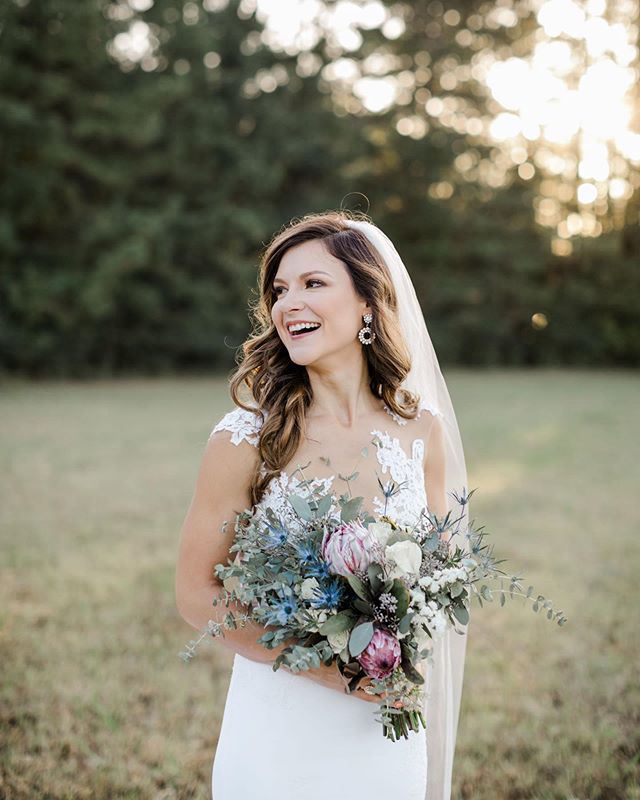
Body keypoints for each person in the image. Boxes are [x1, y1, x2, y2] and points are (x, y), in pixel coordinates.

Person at [175, 210, 470, 800]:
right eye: (280, 290)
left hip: (384, 725)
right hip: (280, 725)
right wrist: (331, 669)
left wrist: (396, 648)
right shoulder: (245, 438)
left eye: (313, 284)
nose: (288, 304)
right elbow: (196, 594)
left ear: (367, 302)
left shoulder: (422, 431)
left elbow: (444, 573)